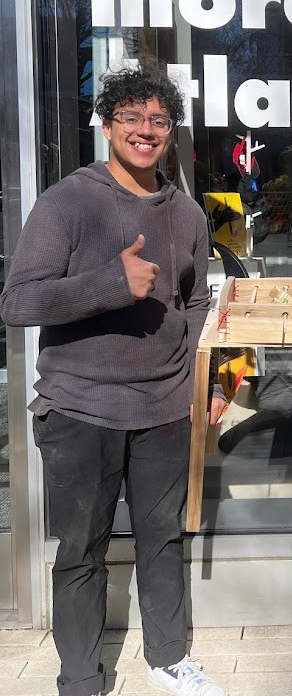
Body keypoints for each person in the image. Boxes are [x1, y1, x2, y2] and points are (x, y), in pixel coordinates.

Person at [0, 66, 227, 696]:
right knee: (81, 551)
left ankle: (169, 658)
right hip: (80, 411)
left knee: (162, 541)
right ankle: (80, 678)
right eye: (131, 118)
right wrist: (107, 284)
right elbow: (17, 302)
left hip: (163, 408)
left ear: (172, 131)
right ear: (106, 126)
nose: (145, 131)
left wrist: (201, 380)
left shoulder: (184, 213)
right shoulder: (68, 201)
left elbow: (197, 301)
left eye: (158, 120)